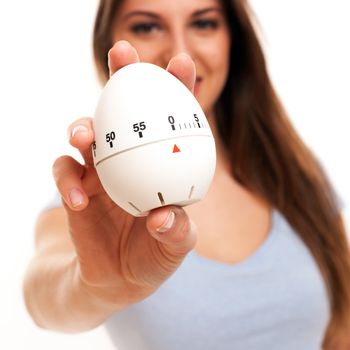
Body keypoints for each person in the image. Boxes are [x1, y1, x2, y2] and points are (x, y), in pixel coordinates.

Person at [23, 0, 350, 349]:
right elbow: (43, 300)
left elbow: (341, 328)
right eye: (147, 26)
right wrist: (96, 286)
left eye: (204, 23)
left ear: (232, 40)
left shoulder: (294, 170)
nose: (180, 51)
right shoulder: (92, 201)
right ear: (107, 42)